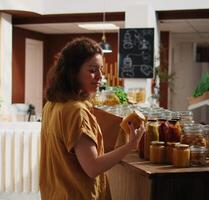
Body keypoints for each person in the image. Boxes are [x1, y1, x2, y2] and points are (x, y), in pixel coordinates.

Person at [39, 37, 145, 200]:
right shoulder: (76, 111)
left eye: (101, 69)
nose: (100, 76)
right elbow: (93, 167)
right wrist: (130, 145)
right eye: (92, 70)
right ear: (73, 71)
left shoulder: (52, 104)